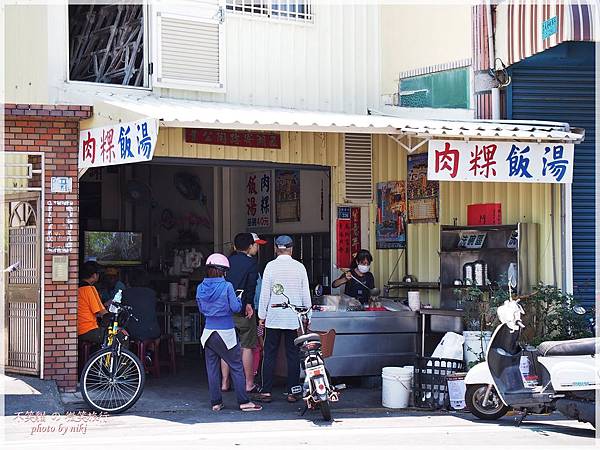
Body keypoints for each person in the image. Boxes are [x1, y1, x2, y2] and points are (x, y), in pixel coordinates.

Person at [196, 253, 262, 412]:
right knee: (237, 366)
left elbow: (201, 309)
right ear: (223, 271)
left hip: (208, 332)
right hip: (225, 331)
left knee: (211, 368)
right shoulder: (227, 287)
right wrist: (239, 300)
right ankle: (244, 401)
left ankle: (216, 402)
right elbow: (235, 308)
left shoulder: (200, 287)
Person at [256, 235, 312, 403]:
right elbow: (305, 294)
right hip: (293, 318)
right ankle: (292, 392)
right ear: (291, 249)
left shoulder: (270, 267)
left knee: (270, 354)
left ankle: (266, 391)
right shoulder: (299, 267)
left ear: (275, 249)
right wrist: (308, 316)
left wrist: (261, 317)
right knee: (293, 355)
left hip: (273, 317)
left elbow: (265, 294)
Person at [221, 232, 266, 393]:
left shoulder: (226, 262)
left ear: (234, 247)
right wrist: (248, 304)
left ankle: (225, 382)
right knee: (246, 346)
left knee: (226, 347)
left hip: (225, 310)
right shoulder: (251, 263)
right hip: (243, 310)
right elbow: (251, 286)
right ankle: (248, 383)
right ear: (249, 247)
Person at [122, 269, 161, 342]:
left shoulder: (125, 293)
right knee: (156, 335)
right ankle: (151, 351)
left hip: (131, 331)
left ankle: (130, 351)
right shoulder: (152, 293)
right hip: (151, 330)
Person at [78, 261, 109, 344]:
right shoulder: (89, 289)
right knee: (121, 336)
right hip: (88, 330)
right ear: (95, 275)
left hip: (79, 330)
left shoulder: (77, 288)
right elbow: (102, 312)